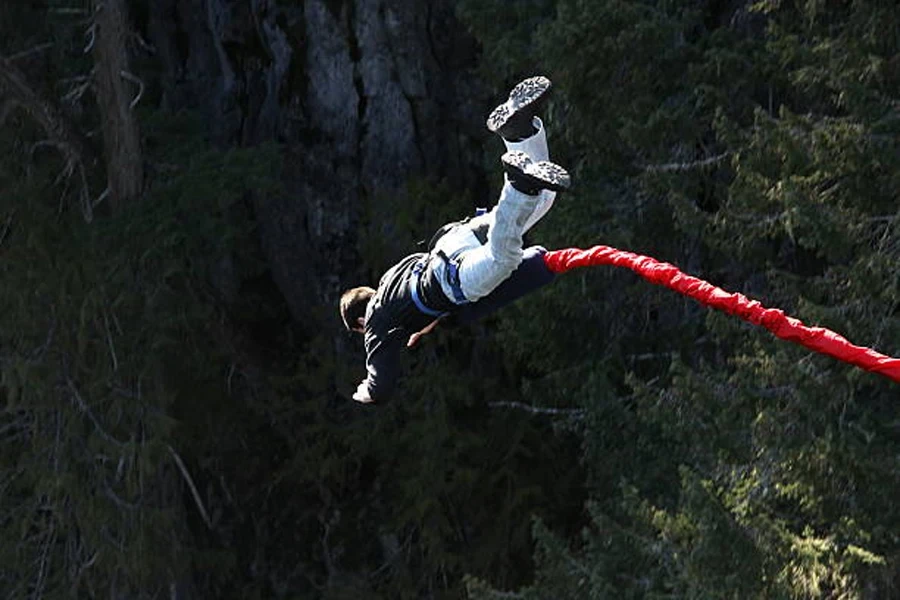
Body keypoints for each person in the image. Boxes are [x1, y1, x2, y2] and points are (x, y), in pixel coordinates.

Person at [340, 76, 571, 404]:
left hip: (453, 278)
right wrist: (421, 327)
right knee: (544, 199)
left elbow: (382, 385)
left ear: (361, 322)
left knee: (502, 258)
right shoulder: (390, 281)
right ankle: (518, 132)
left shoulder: (377, 320)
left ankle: (516, 184)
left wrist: (365, 392)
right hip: (456, 238)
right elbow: (418, 315)